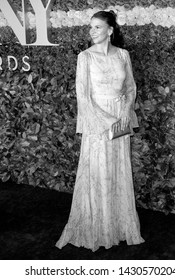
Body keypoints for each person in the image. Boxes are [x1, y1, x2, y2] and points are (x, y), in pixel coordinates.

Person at [55, 10, 144, 252]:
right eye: (90, 27)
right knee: (98, 172)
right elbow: (83, 96)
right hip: (97, 123)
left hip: (120, 121)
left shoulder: (123, 55)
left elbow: (130, 88)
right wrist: (106, 122)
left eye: (97, 27)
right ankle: (97, 228)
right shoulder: (85, 57)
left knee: (117, 171)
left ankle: (118, 227)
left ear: (110, 30)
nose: (92, 31)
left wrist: (125, 112)